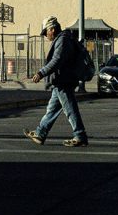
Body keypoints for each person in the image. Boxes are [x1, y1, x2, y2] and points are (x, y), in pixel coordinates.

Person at [23, 16, 88, 147]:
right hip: (62, 80)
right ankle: (41, 133)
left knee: (69, 108)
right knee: (52, 109)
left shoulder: (62, 40)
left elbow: (57, 60)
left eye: (46, 32)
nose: (46, 35)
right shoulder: (63, 39)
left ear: (52, 29)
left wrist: (41, 73)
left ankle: (80, 135)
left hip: (64, 80)